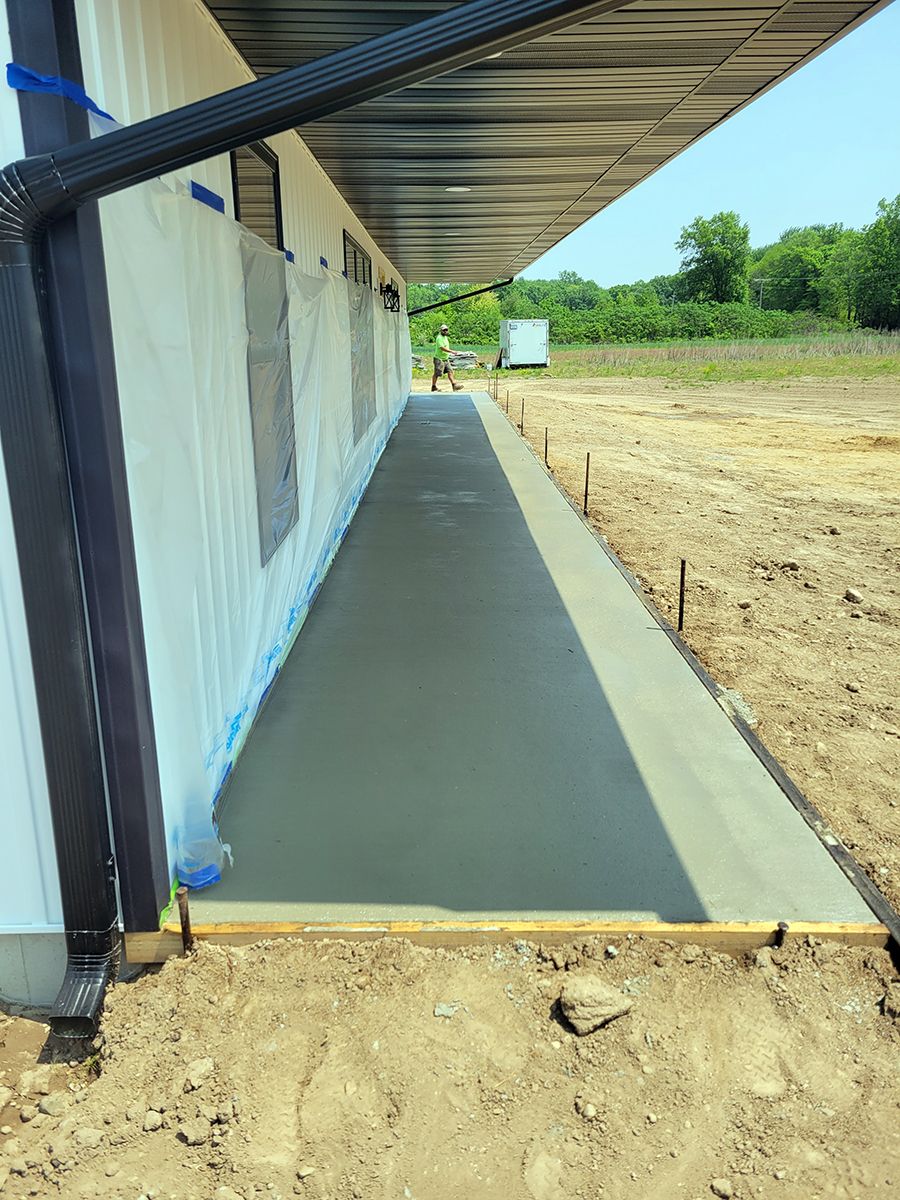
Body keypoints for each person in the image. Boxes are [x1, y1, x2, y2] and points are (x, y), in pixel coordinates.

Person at [431, 323, 465, 392]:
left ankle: (454, 385)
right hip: (439, 359)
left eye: (446, 330)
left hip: (445, 359)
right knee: (437, 374)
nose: (445, 331)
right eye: (444, 330)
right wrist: (451, 351)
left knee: (450, 371)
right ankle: (433, 386)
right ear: (441, 331)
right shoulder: (439, 338)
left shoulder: (445, 337)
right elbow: (442, 348)